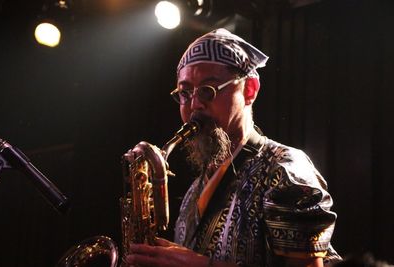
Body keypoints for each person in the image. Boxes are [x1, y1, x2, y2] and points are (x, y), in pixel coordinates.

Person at [125, 28, 341, 267]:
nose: (195, 104)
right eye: (185, 93)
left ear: (249, 89)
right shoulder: (195, 189)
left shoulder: (285, 169)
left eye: (208, 90)